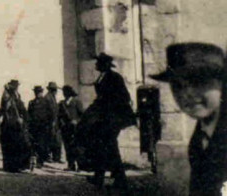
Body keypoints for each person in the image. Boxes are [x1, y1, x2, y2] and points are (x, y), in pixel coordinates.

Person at [152, 42, 226, 196]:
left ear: (222, 83)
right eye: (178, 86)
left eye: (198, 82)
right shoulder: (202, 132)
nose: (187, 94)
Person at [84, 53, 134, 189]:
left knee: (109, 146)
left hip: (113, 118)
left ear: (104, 64)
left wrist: (106, 106)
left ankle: (114, 179)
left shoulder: (114, 77)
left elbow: (124, 97)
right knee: (106, 146)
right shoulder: (103, 77)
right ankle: (105, 178)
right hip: (105, 118)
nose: (95, 65)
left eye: (98, 62)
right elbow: (101, 97)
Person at [0, 79, 31, 173]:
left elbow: (22, 108)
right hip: (9, 124)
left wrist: (25, 118)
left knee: (16, 145)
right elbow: (3, 109)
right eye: (15, 86)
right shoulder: (7, 96)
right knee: (9, 145)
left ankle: (17, 166)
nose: (16, 88)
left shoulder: (17, 96)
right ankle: (10, 166)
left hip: (16, 125)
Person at [58, 84, 84, 172]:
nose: (64, 94)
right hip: (65, 128)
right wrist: (61, 123)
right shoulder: (61, 103)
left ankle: (80, 165)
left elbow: (82, 115)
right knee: (67, 147)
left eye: (65, 92)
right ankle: (71, 165)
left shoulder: (77, 102)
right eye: (64, 92)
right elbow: (59, 116)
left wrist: (76, 121)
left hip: (75, 128)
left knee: (76, 147)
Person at [28, 85, 55, 166]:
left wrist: (50, 125)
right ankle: (35, 160)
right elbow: (29, 114)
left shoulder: (46, 102)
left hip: (43, 126)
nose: (37, 94)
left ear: (41, 92)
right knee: (34, 144)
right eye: (36, 92)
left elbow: (52, 114)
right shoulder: (31, 102)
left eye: (39, 92)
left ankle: (40, 161)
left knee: (42, 144)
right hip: (34, 127)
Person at [45, 81, 62, 162]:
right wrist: (52, 121)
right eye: (55, 90)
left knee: (56, 139)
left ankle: (56, 157)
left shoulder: (52, 97)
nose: (56, 91)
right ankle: (48, 157)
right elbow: (50, 111)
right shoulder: (48, 97)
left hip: (54, 121)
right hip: (50, 122)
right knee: (50, 139)